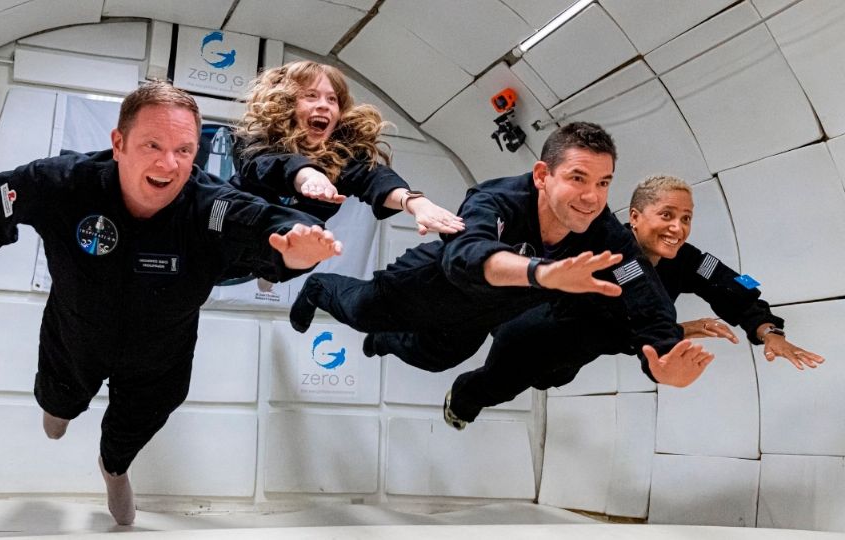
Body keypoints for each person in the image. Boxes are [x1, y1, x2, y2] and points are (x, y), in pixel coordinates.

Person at [0, 82, 342, 526]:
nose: (169, 164)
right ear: (119, 143)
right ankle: (60, 409)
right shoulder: (66, 184)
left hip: (160, 355)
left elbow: (270, 225)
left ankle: (114, 469)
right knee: (57, 406)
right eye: (153, 145)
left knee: (131, 429)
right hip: (74, 335)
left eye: (185, 151)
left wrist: (295, 254)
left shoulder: (209, 206)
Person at [289, 122, 711, 404]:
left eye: (603, 183)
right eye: (578, 178)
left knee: (436, 358)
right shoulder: (498, 198)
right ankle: (319, 288)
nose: (591, 197)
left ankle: (382, 342)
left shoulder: (603, 230)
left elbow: (642, 290)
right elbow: (463, 255)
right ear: (543, 174)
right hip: (425, 285)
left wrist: (664, 358)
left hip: (481, 314)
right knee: (363, 312)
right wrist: (538, 273)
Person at [444, 174, 823, 430]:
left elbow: (732, 286)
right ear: (637, 218)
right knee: (491, 388)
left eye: (686, 218)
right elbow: (615, 319)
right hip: (533, 335)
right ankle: (459, 399)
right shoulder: (598, 245)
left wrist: (767, 330)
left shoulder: (688, 260)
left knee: (554, 378)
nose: (678, 227)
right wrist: (676, 331)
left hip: (576, 355)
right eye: (667, 215)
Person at [232, 60, 465, 235]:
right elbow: (264, 163)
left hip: (278, 252)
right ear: (286, 103)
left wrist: (416, 203)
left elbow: (375, 178)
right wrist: (308, 175)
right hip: (228, 228)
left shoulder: (342, 156)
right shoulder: (257, 138)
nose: (324, 105)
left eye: (332, 99)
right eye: (311, 96)